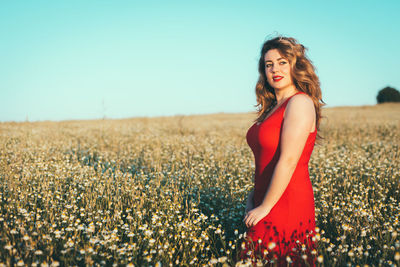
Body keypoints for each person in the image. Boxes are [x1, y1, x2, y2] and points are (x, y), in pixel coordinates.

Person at [239, 36, 325, 266]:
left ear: (295, 65)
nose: (275, 69)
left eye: (282, 62)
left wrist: (266, 206)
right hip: (265, 197)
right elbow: (265, 161)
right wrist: (253, 198)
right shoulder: (271, 109)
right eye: (269, 64)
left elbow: (287, 161)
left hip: (287, 201)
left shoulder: (299, 103)